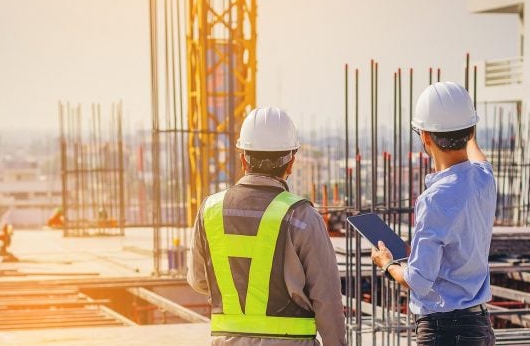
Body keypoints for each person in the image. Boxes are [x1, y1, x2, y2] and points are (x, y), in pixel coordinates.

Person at [188, 107, 345, 346]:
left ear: (243, 158)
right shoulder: (302, 217)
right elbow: (327, 299)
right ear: (291, 162)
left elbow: (199, 280)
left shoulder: (209, 210)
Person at [370, 82, 497, 346]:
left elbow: (418, 280)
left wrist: (387, 264)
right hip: (480, 326)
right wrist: (464, 128)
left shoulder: (434, 199)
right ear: (471, 130)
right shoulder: (484, 180)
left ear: (425, 137)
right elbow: (477, 156)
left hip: (444, 332)